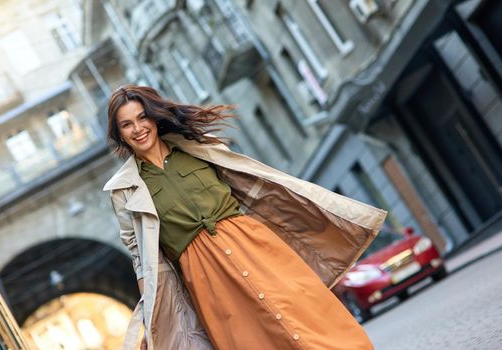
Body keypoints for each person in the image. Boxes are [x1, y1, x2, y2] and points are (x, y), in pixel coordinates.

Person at [103, 85, 387, 350]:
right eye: (127, 124)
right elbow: (140, 255)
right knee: (249, 340)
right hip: (204, 275)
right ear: (119, 134)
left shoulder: (196, 147)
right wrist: (154, 311)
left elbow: (253, 188)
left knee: (307, 314)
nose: (138, 129)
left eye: (142, 118)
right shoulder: (124, 189)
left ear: (154, 117)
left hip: (253, 245)